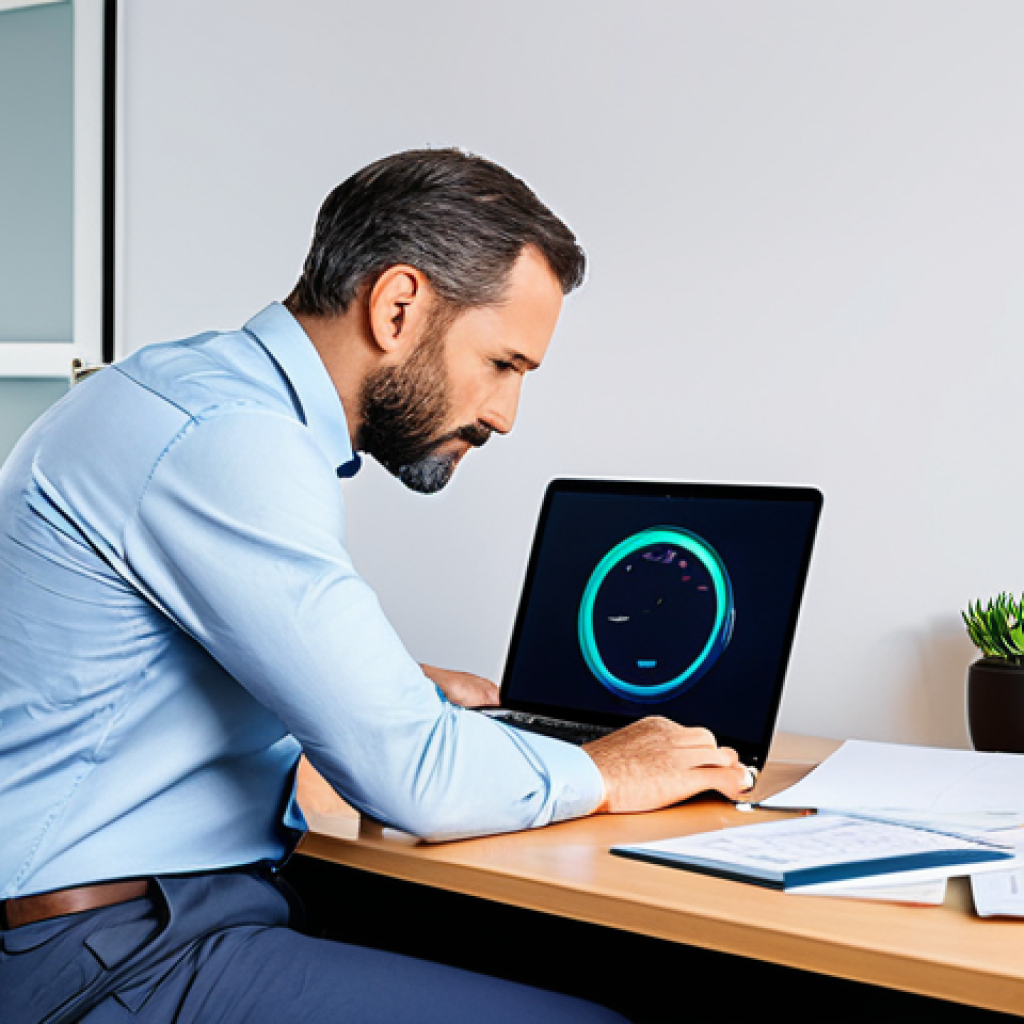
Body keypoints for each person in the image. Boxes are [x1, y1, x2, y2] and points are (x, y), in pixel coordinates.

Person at [0, 149, 752, 1023]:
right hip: (101, 956)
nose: (504, 414)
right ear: (398, 307)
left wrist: (391, 690)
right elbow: (411, 779)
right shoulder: (230, 440)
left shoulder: (186, 393)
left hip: (134, 919)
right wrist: (604, 770)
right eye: (504, 364)